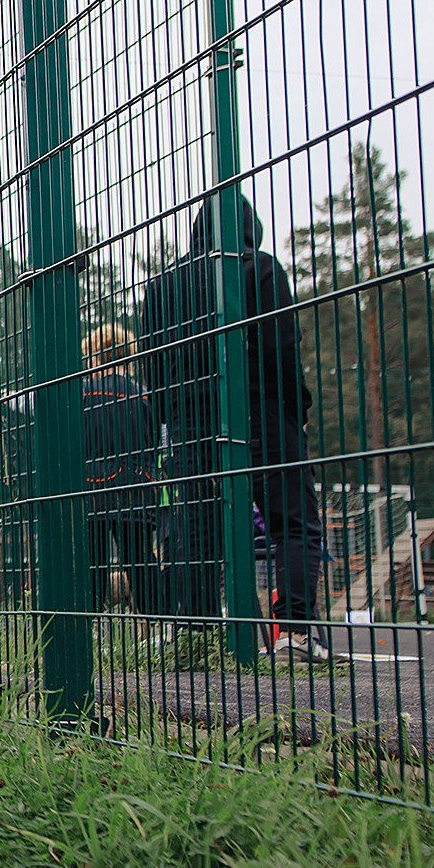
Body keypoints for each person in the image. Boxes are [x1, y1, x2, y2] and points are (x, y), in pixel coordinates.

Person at [137, 190, 331, 660]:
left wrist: (169, 414)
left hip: (190, 418)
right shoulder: (260, 269)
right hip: (260, 407)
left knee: (196, 526)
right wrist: (294, 411)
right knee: (292, 524)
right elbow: (282, 346)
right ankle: (297, 635)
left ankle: (196, 633)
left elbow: (152, 359)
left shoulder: (165, 284)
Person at [79, 324, 159, 612]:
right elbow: (159, 439)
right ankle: (157, 621)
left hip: (94, 487)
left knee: (93, 561)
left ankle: (90, 621)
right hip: (138, 486)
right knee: (140, 558)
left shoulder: (83, 392)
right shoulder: (146, 396)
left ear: (98, 356)